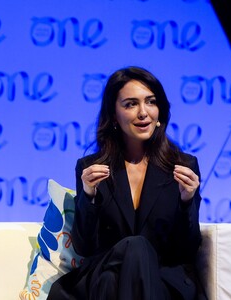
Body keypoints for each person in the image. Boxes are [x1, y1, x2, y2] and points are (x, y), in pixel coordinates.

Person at [48, 66, 204, 300]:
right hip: (103, 274)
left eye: (150, 102)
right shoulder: (92, 167)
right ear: (113, 115)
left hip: (159, 281)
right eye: (131, 104)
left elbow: (186, 250)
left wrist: (186, 202)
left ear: (160, 111)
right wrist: (88, 197)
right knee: (126, 258)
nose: (143, 113)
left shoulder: (182, 166)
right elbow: (84, 248)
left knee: (125, 265)